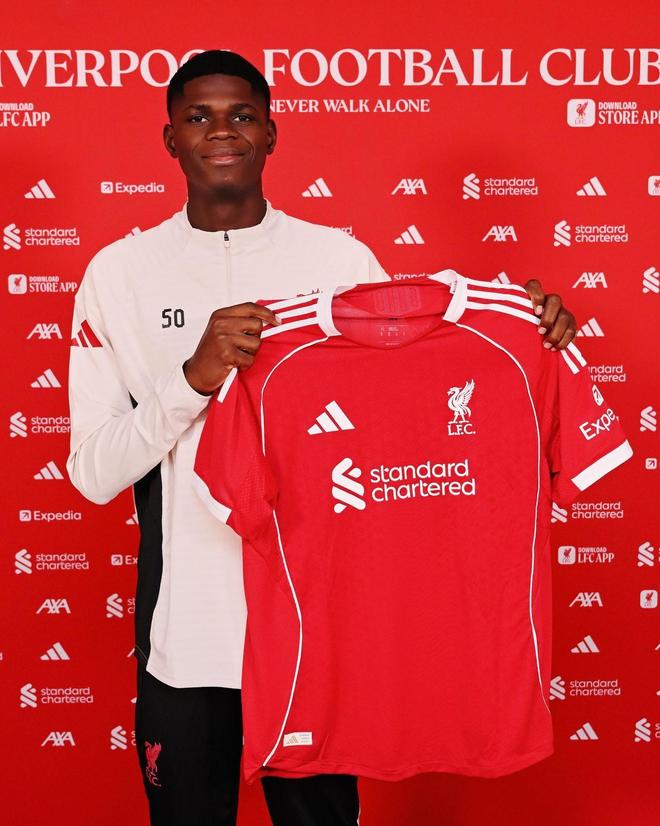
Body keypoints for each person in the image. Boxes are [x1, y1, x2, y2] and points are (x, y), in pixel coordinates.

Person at [66, 50, 578, 826]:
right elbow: (94, 471)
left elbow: (407, 424)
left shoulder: (339, 262)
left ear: (272, 133)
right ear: (169, 138)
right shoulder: (119, 273)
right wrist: (193, 379)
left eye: (242, 115)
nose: (221, 132)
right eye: (198, 116)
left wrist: (526, 337)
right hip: (189, 636)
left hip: (322, 637)